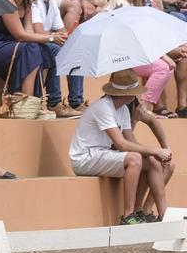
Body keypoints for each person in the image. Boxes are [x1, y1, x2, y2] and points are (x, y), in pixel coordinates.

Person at [69, 69, 171, 225]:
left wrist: (154, 154)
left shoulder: (122, 109)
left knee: (150, 161)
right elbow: (122, 144)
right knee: (135, 158)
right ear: (128, 94)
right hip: (84, 158)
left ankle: (161, 213)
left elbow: (131, 142)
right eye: (135, 92)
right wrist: (156, 150)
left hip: (101, 154)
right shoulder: (103, 107)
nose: (136, 96)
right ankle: (128, 215)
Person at [33, 0, 84, 117]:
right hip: (33, 43)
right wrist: (56, 37)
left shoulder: (51, 2)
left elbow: (61, 30)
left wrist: (66, 38)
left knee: (74, 49)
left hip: (46, 41)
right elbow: (38, 32)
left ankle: (76, 102)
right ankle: (54, 103)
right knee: (55, 50)